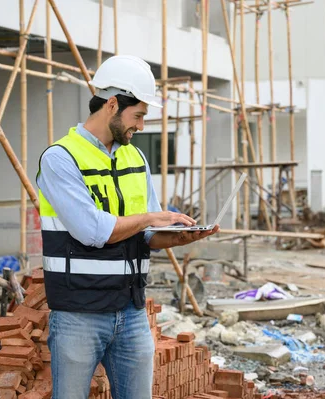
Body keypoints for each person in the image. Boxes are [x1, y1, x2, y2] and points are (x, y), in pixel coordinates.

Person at [36, 55, 219, 399]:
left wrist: (176, 237)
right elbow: (93, 230)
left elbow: (145, 234)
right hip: (79, 313)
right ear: (112, 105)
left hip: (130, 310)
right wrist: (153, 217)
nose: (142, 125)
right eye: (138, 115)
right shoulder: (60, 158)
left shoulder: (134, 157)